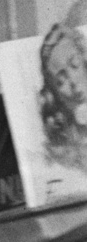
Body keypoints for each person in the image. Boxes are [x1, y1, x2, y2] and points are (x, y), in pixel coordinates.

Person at [39, 19, 87, 173]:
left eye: (75, 64)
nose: (73, 81)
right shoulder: (63, 156)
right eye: (61, 81)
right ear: (55, 94)